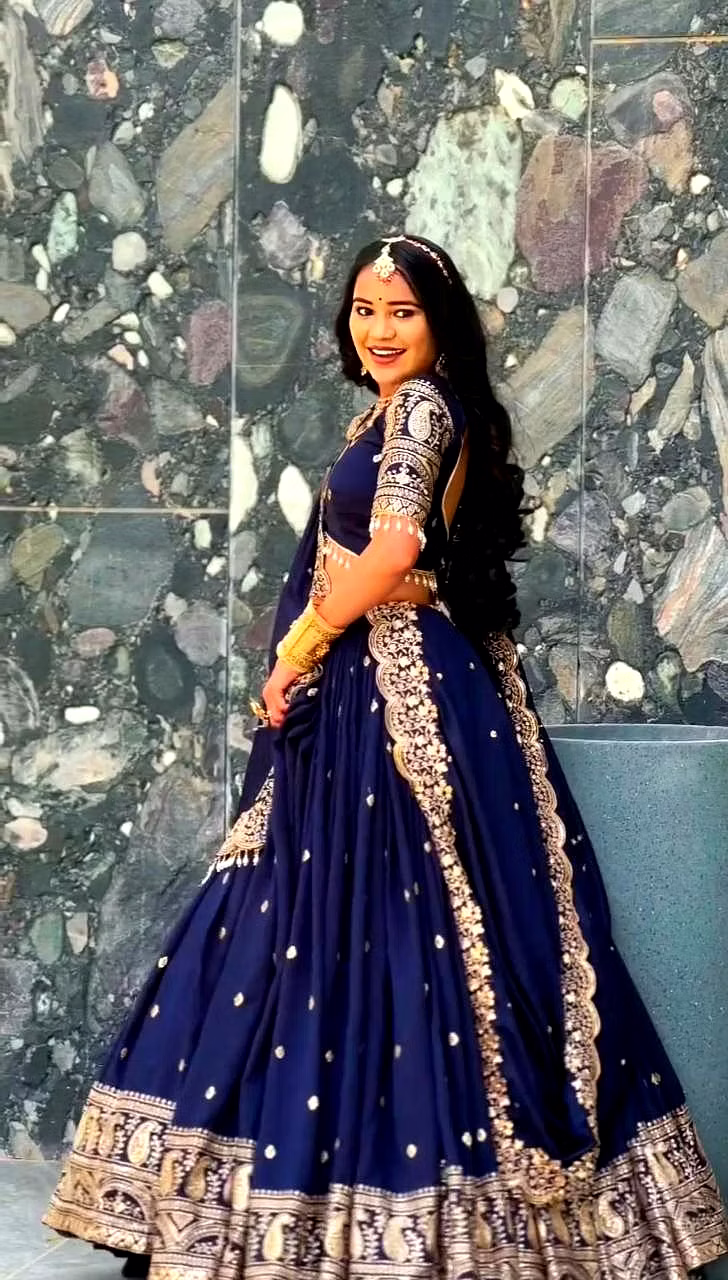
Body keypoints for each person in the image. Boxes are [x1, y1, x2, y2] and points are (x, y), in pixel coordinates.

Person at [45, 235, 727, 1280]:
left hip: (393, 701)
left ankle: (365, 1227)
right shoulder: (397, 410)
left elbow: (397, 549)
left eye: (400, 311)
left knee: (389, 931)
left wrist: (302, 645)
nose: (377, 329)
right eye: (364, 309)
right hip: (383, 689)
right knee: (349, 926)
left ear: (439, 323)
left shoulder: (419, 411)